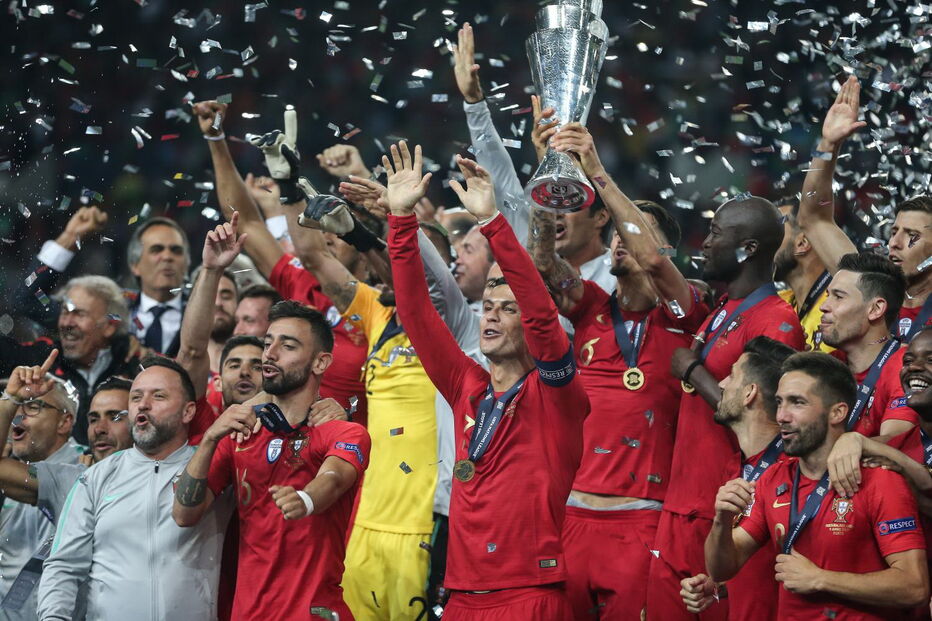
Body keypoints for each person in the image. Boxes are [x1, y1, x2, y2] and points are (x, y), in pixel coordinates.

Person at [386, 142, 590, 618]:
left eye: (508, 308)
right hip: (459, 592)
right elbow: (416, 315)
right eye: (489, 307)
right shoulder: (467, 386)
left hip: (530, 593)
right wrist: (400, 222)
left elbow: (542, 315)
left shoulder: (557, 392)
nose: (492, 317)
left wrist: (494, 224)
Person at [529, 121, 707, 620]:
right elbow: (543, 260)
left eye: (637, 231)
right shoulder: (589, 310)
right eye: (620, 232)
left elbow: (651, 258)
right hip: (572, 518)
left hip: (642, 523)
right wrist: (551, 178)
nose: (623, 242)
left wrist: (596, 170)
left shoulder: (685, 316)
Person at [648, 195, 805, 620]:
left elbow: (770, 419)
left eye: (716, 233)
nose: (704, 243)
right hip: (682, 501)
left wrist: (693, 372)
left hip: (727, 507)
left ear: (748, 248)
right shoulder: (723, 307)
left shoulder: (778, 321)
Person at [173, 300, 370, 620]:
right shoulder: (237, 436)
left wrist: (305, 499)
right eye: (268, 343)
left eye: (287, 345)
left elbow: (334, 479)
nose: (270, 353)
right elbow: (184, 513)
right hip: (247, 613)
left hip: (312, 613)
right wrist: (209, 439)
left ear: (320, 362)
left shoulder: (343, 431)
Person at [705, 352, 929, 620]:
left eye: (797, 403)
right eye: (779, 402)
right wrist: (722, 520)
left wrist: (821, 579)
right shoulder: (774, 480)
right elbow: (722, 569)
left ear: (837, 412)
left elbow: (914, 586)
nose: (782, 416)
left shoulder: (879, 479)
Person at [193, 100, 369, 420]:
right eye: (322, 225)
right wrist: (216, 140)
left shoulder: (382, 307)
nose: (328, 232)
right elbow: (244, 222)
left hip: (364, 455)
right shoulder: (300, 282)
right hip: (288, 454)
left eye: (339, 227)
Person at [37, 356, 231, 621]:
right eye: (136, 397)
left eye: (158, 396)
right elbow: (64, 565)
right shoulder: (96, 478)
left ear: (188, 412)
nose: (143, 405)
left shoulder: (215, 468)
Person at [451, 22, 614, 293]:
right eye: (553, 198)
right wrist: (474, 102)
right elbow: (499, 181)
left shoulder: (620, 272)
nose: (556, 210)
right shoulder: (533, 246)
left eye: (571, 204)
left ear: (601, 217)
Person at [796, 76, 932, 342]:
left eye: (911, 236)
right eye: (894, 232)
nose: (894, 243)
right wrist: (828, 145)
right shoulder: (868, 284)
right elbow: (813, 218)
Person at [679, 337, 796, 620]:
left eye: (731, 376)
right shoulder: (735, 468)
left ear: (749, 394)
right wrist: (718, 585)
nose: (720, 384)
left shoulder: (794, 471)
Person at [0, 274, 141, 445]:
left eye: (79, 314)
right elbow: (26, 296)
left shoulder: (136, 367)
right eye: (65, 312)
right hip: (43, 470)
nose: (66, 323)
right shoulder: (40, 359)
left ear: (109, 326)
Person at [0, 350, 84, 621]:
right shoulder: (12, 473)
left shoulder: (86, 472)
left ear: (64, 421)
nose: (17, 418)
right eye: (16, 409)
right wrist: (10, 399)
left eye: (32, 407)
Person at [817, 252, 917, 440]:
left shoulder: (906, 367)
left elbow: (896, 441)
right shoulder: (827, 365)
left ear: (875, 309)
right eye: (827, 295)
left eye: (838, 297)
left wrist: (854, 444)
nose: (824, 306)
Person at [774, 205, 833, 352]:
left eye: (774, 230)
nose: (765, 242)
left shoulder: (839, 306)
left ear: (802, 243)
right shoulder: (776, 302)